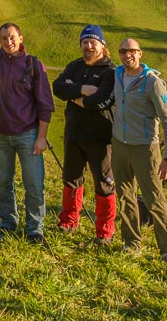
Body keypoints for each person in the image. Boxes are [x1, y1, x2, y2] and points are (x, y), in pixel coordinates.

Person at [85, 38, 167, 266]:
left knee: (154, 199)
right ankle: (131, 243)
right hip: (120, 144)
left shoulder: (153, 83)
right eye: (124, 51)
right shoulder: (117, 75)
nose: (128, 55)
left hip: (146, 148)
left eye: (133, 51)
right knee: (126, 196)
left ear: (140, 54)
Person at [0, 23, 54, 243]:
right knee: (3, 183)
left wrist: (42, 137)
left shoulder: (33, 64)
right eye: (4, 38)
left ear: (21, 38)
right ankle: (8, 222)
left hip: (28, 133)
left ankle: (35, 228)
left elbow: (45, 104)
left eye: (12, 37)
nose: (8, 42)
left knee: (34, 183)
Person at [51, 24, 117, 244]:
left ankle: (104, 231)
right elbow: (58, 87)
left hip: (100, 137)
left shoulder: (111, 71)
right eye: (85, 42)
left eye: (93, 42)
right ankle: (69, 221)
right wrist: (81, 90)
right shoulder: (75, 66)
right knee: (71, 179)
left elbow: (101, 101)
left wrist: (74, 96)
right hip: (74, 134)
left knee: (104, 183)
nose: (89, 46)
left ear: (102, 45)